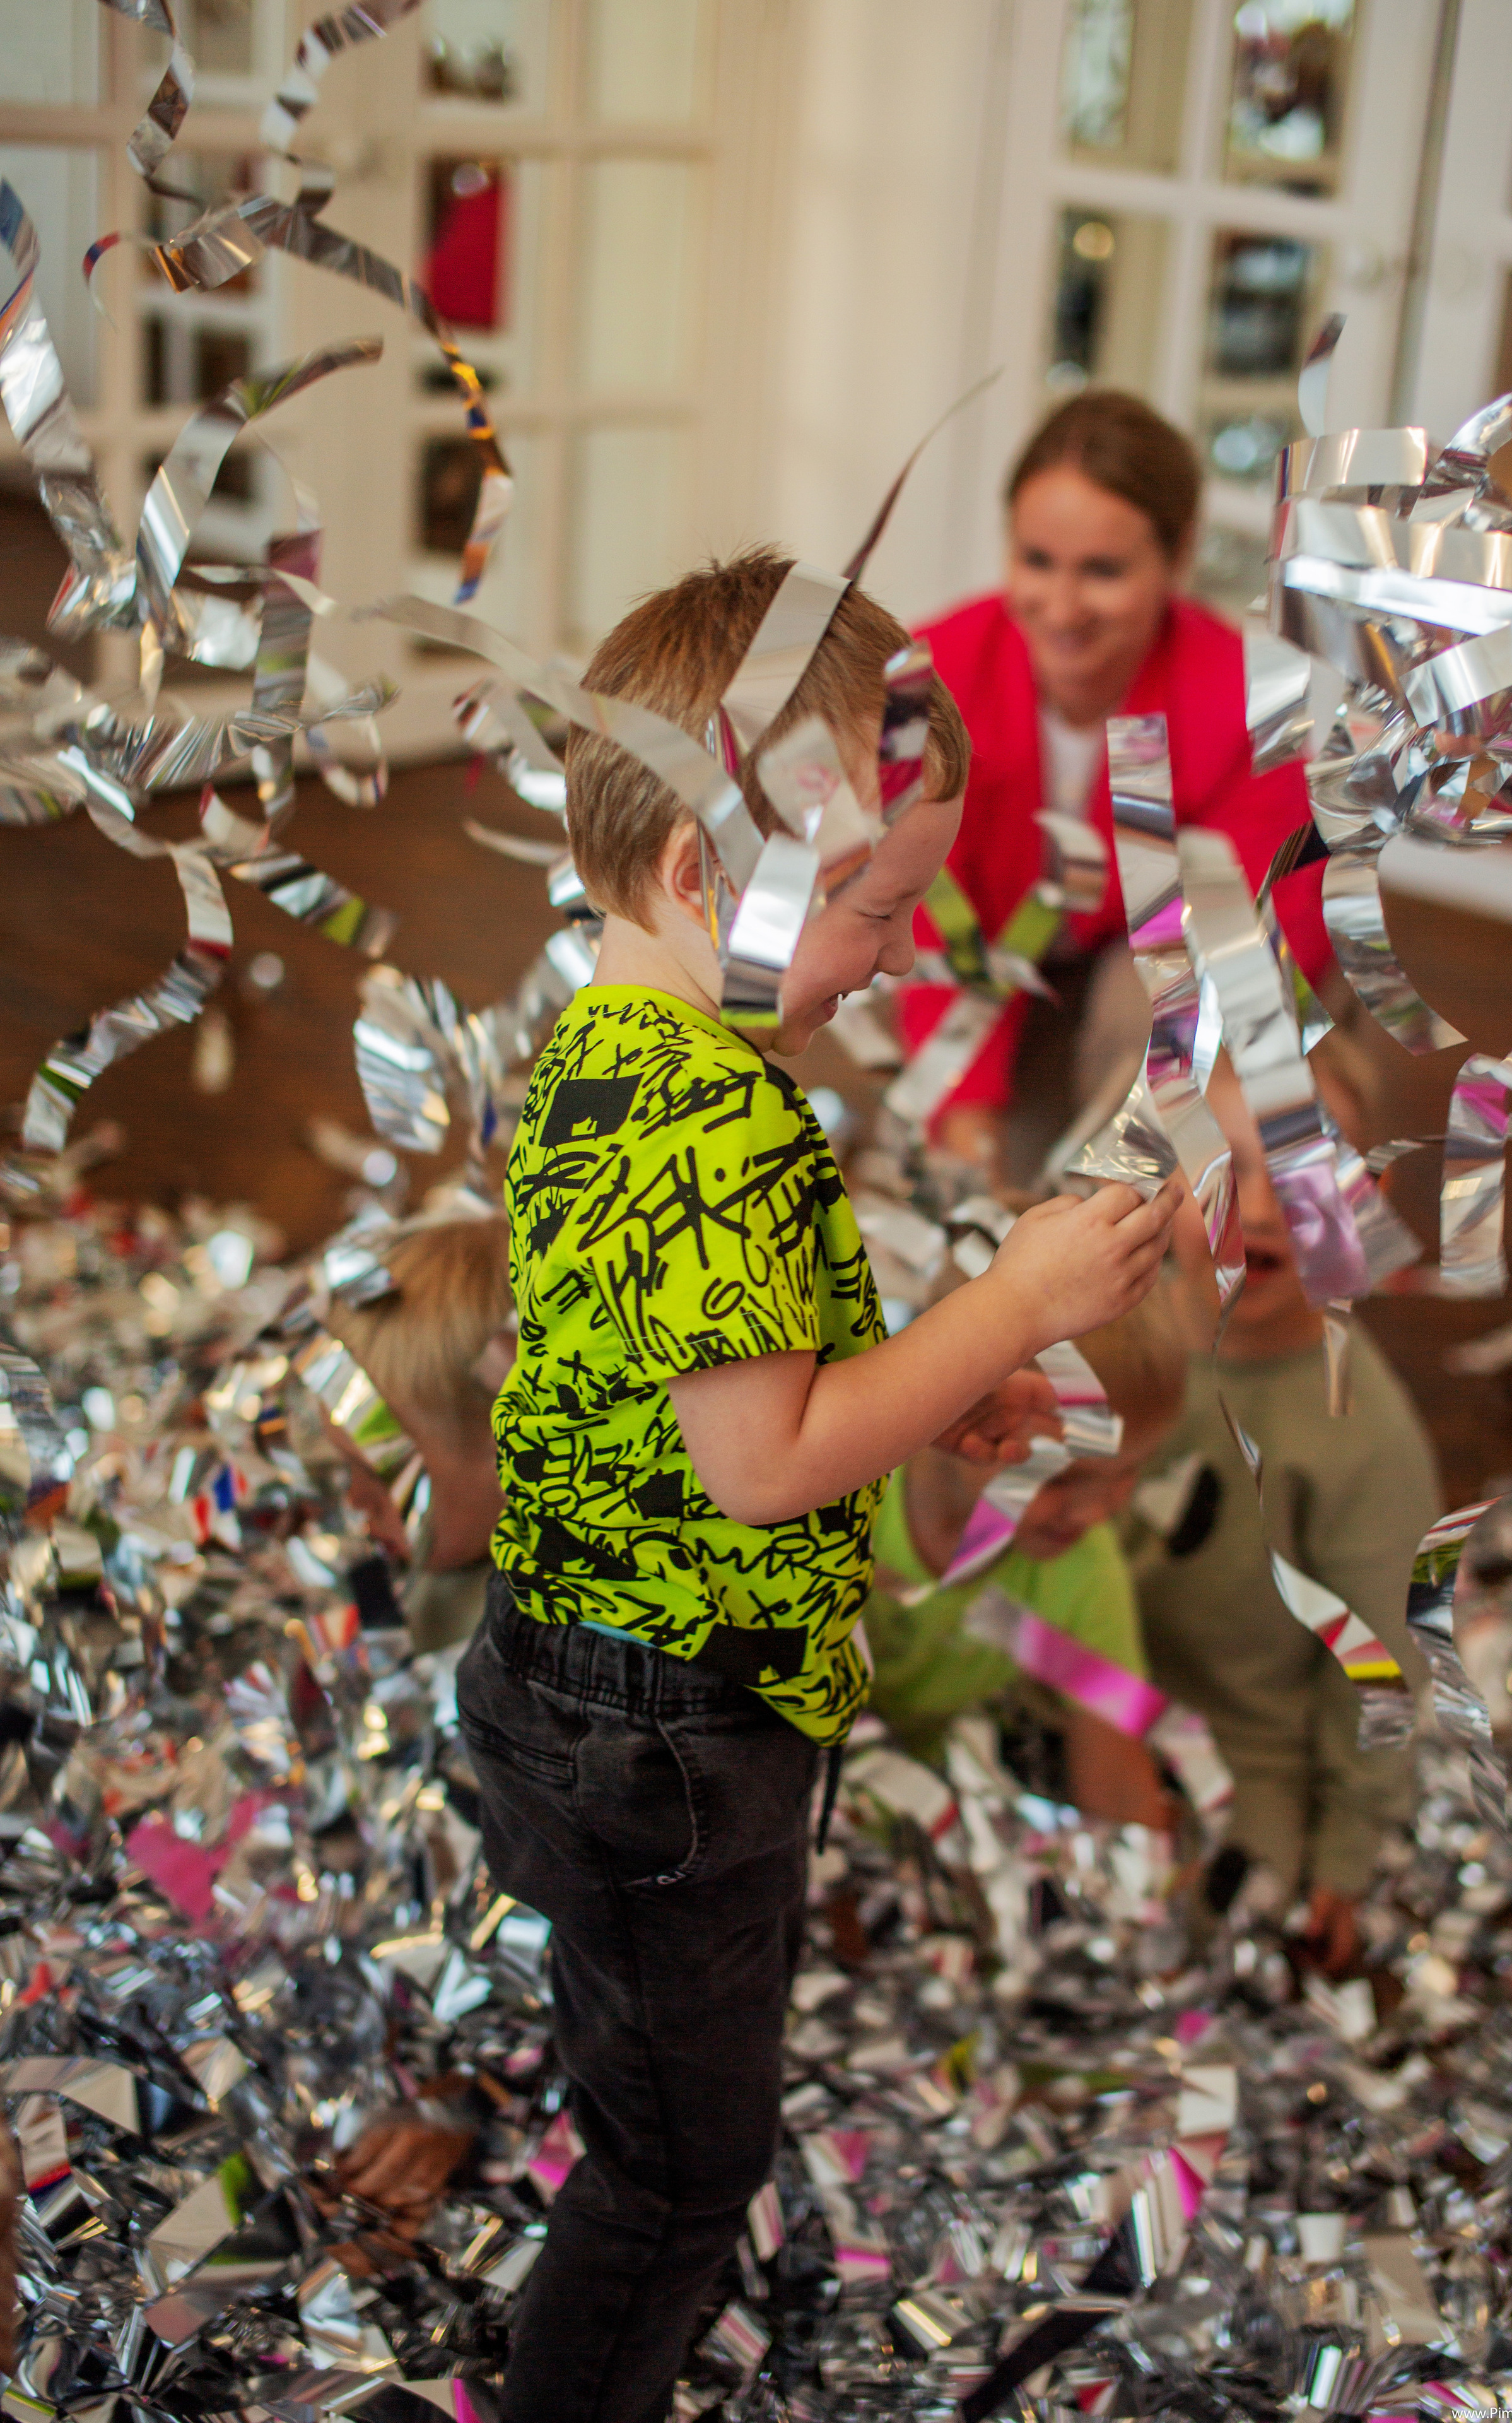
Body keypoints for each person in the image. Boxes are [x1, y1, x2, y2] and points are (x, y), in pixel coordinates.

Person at [453, 546, 1183, 2423]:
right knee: (681, 2177)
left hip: (594, 1680)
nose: (898, 954)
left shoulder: (614, 1046)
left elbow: (694, 1371)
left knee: (675, 2032)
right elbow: (767, 1460)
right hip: (669, 1729)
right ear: (709, 874)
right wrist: (1016, 1291)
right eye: (868, 906)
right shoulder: (717, 1118)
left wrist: (932, 1391)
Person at [905, 389, 1330, 1173]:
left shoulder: (1245, 696)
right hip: (993, 968)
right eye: (1036, 561)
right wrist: (964, 1115)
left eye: (1102, 570)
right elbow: (929, 909)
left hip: (1144, 968)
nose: (1061, 608)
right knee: (974, 1173)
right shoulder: (933, 675)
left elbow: (1273, 914)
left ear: (1176, 558)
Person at [1128, 1051, 1439, 1976]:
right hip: (1086, 1684)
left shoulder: (1365, 1439)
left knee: (1200, 1951)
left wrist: (1341, 1865)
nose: (1258, 1209)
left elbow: (1380, 1672)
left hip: (1241, 1748)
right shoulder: (1121, 1325)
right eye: (1226, 1170)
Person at [864, 1290, 1186, 1828]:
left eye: (1129, 1473)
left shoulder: (1083, 1569)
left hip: (913, 1825)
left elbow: (1115, 1756)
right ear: (952, 1413)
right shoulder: (851, 1495)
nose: (1095, 1515)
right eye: (1063, 1477)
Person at [327, 1217, 515, 1653]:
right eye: (345, 1467)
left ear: (511, 1446)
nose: (354, 1501)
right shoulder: (381, 1581)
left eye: (381, 1474)